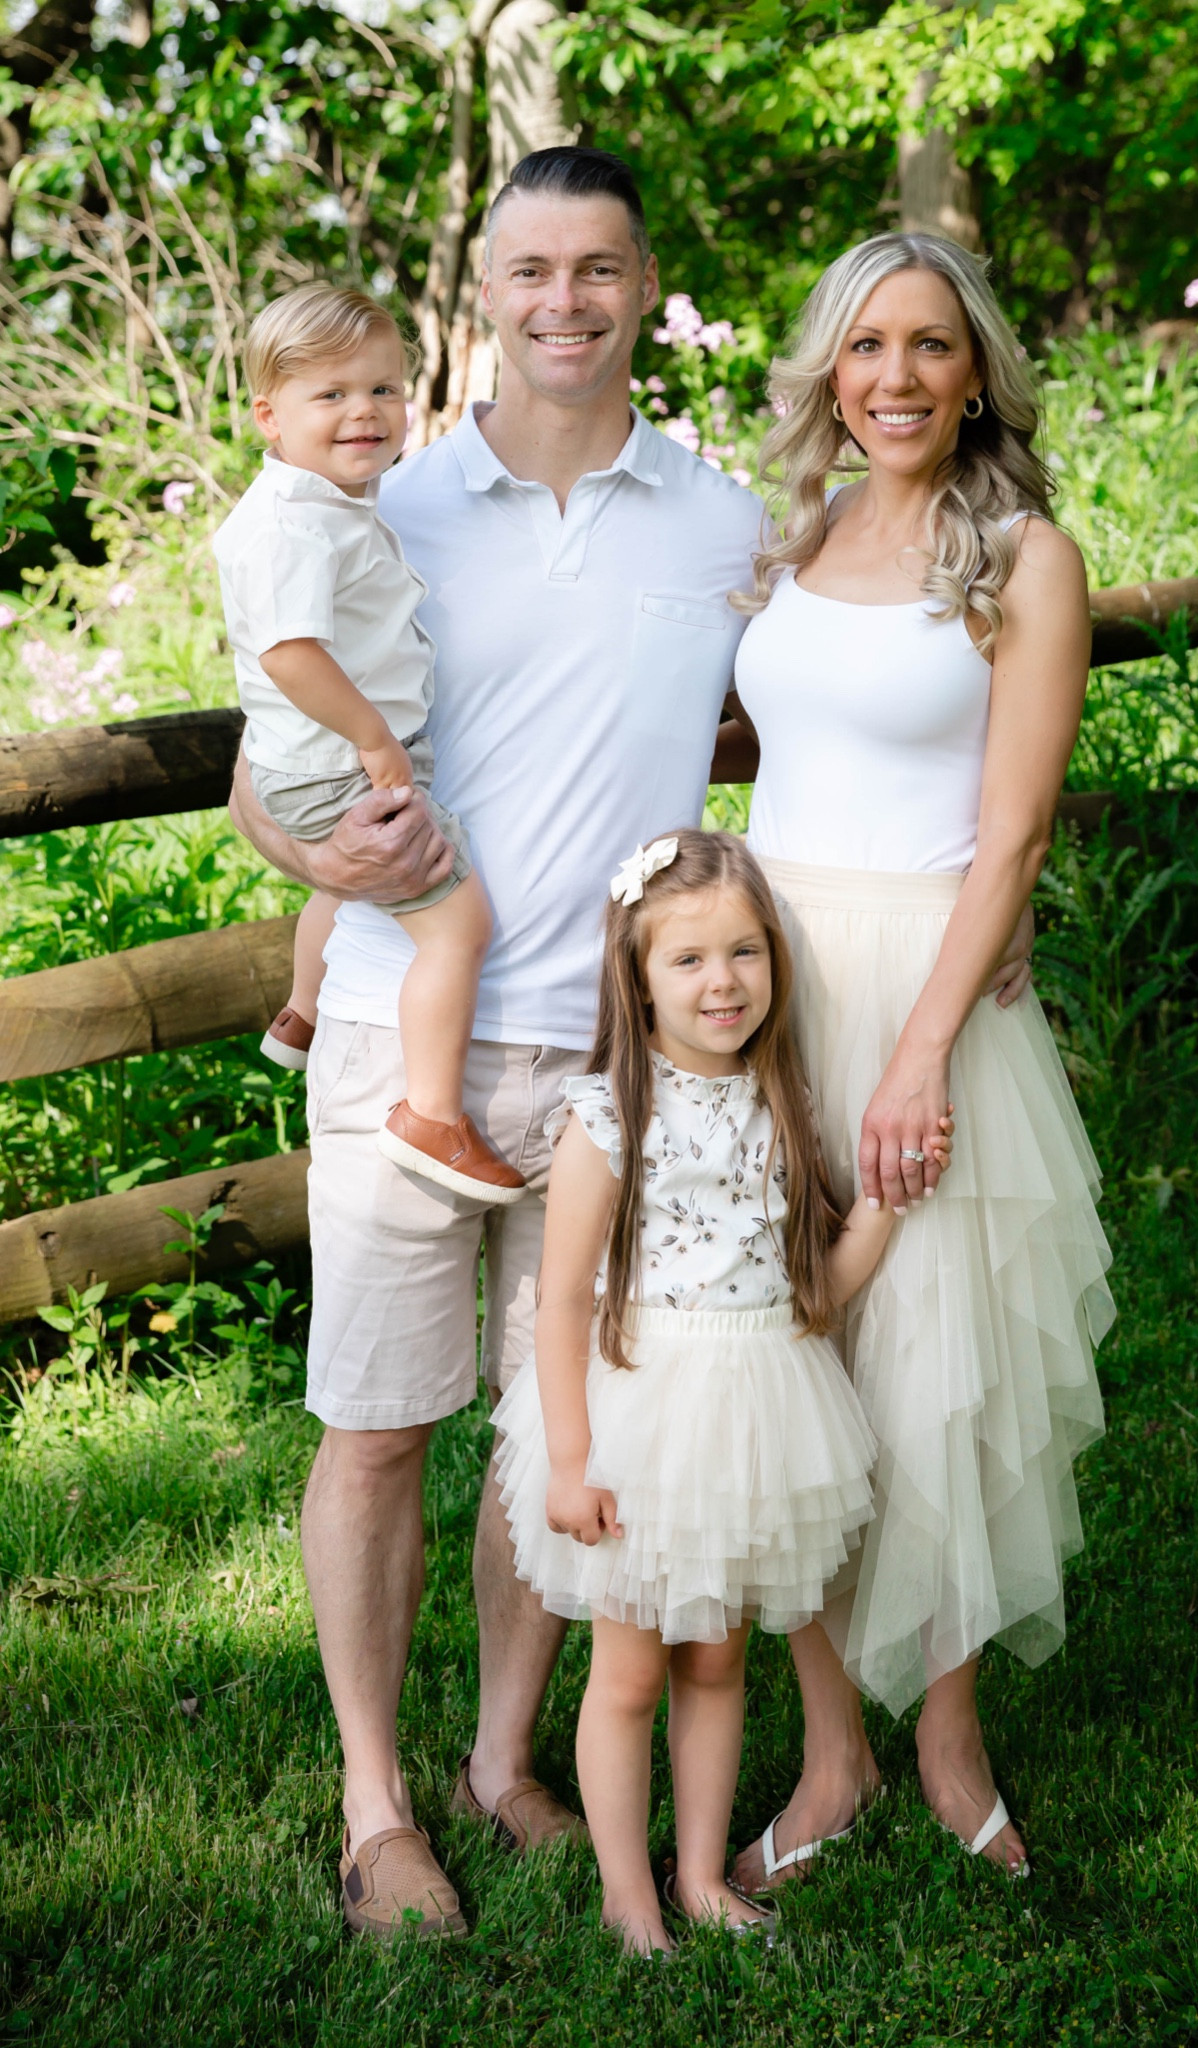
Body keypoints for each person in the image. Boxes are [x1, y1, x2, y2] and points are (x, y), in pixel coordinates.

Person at [227, 147, 766, 1940]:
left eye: (597, 269)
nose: (563, 303)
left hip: (616, 1066)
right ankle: (379, 1801)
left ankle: (503, 1758)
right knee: (382, 1427)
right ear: (486, 285)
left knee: (562, 1433)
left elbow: (844, 703)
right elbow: (259, 759)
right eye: (528, 270)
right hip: (406, 1035)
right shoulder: (381, 498)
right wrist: (316, 853)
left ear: (640, 279)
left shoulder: (718, 518)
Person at [725, 231, 1114, 1894]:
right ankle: (831, 1745)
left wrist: (920, 1054)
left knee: (938, 1363)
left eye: (930, 347)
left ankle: (950, 1732)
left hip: (929, 993)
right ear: (829, 366)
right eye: (866, 345)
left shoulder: (1025, 557)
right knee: (785, 1347)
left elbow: (1012, 830)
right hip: (765, 983)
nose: (894, 377)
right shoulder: (794, 535)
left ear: (976, 375)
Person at [492, 830, 953, 1954]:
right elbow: (558, 1302)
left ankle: (697, 1871)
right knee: (632, 1667)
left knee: (717, 1657)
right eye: (688, 960)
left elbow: (819, 1296)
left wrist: (893, 1197)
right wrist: (567, 1456)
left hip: (756, 1413)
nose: (722, 982)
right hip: (640, 1418)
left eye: (744, 952)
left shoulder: (782, 1101)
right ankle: (625, 1892)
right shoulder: (607, 1117)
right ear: (636, 975)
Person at [216, 284, 523, 1205]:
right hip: (338, 762)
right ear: (269, 416)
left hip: (323, 760)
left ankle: (303, 1011)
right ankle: (432, 1113)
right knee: (459, 926)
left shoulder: (329, 504)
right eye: (333, 394)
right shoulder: (295, 523)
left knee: (339, 888)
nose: (365, 412)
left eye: (384, 391)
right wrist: (376, 740)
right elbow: (288, 654)